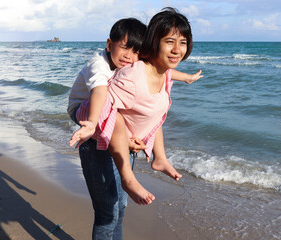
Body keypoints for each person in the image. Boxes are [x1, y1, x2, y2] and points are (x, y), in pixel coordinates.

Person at [68, 12, 200, 239]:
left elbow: (163, 84)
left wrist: (186, 77)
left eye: (183, 43)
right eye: (169, 41)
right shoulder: (108, 69)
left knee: (119, 210)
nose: (177, 49)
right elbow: (103, 96)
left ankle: (159, 158)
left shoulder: (159, 71)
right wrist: (91, 123)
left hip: (120, 145)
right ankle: (129, 177)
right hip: (93, 131)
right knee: (107, 214)